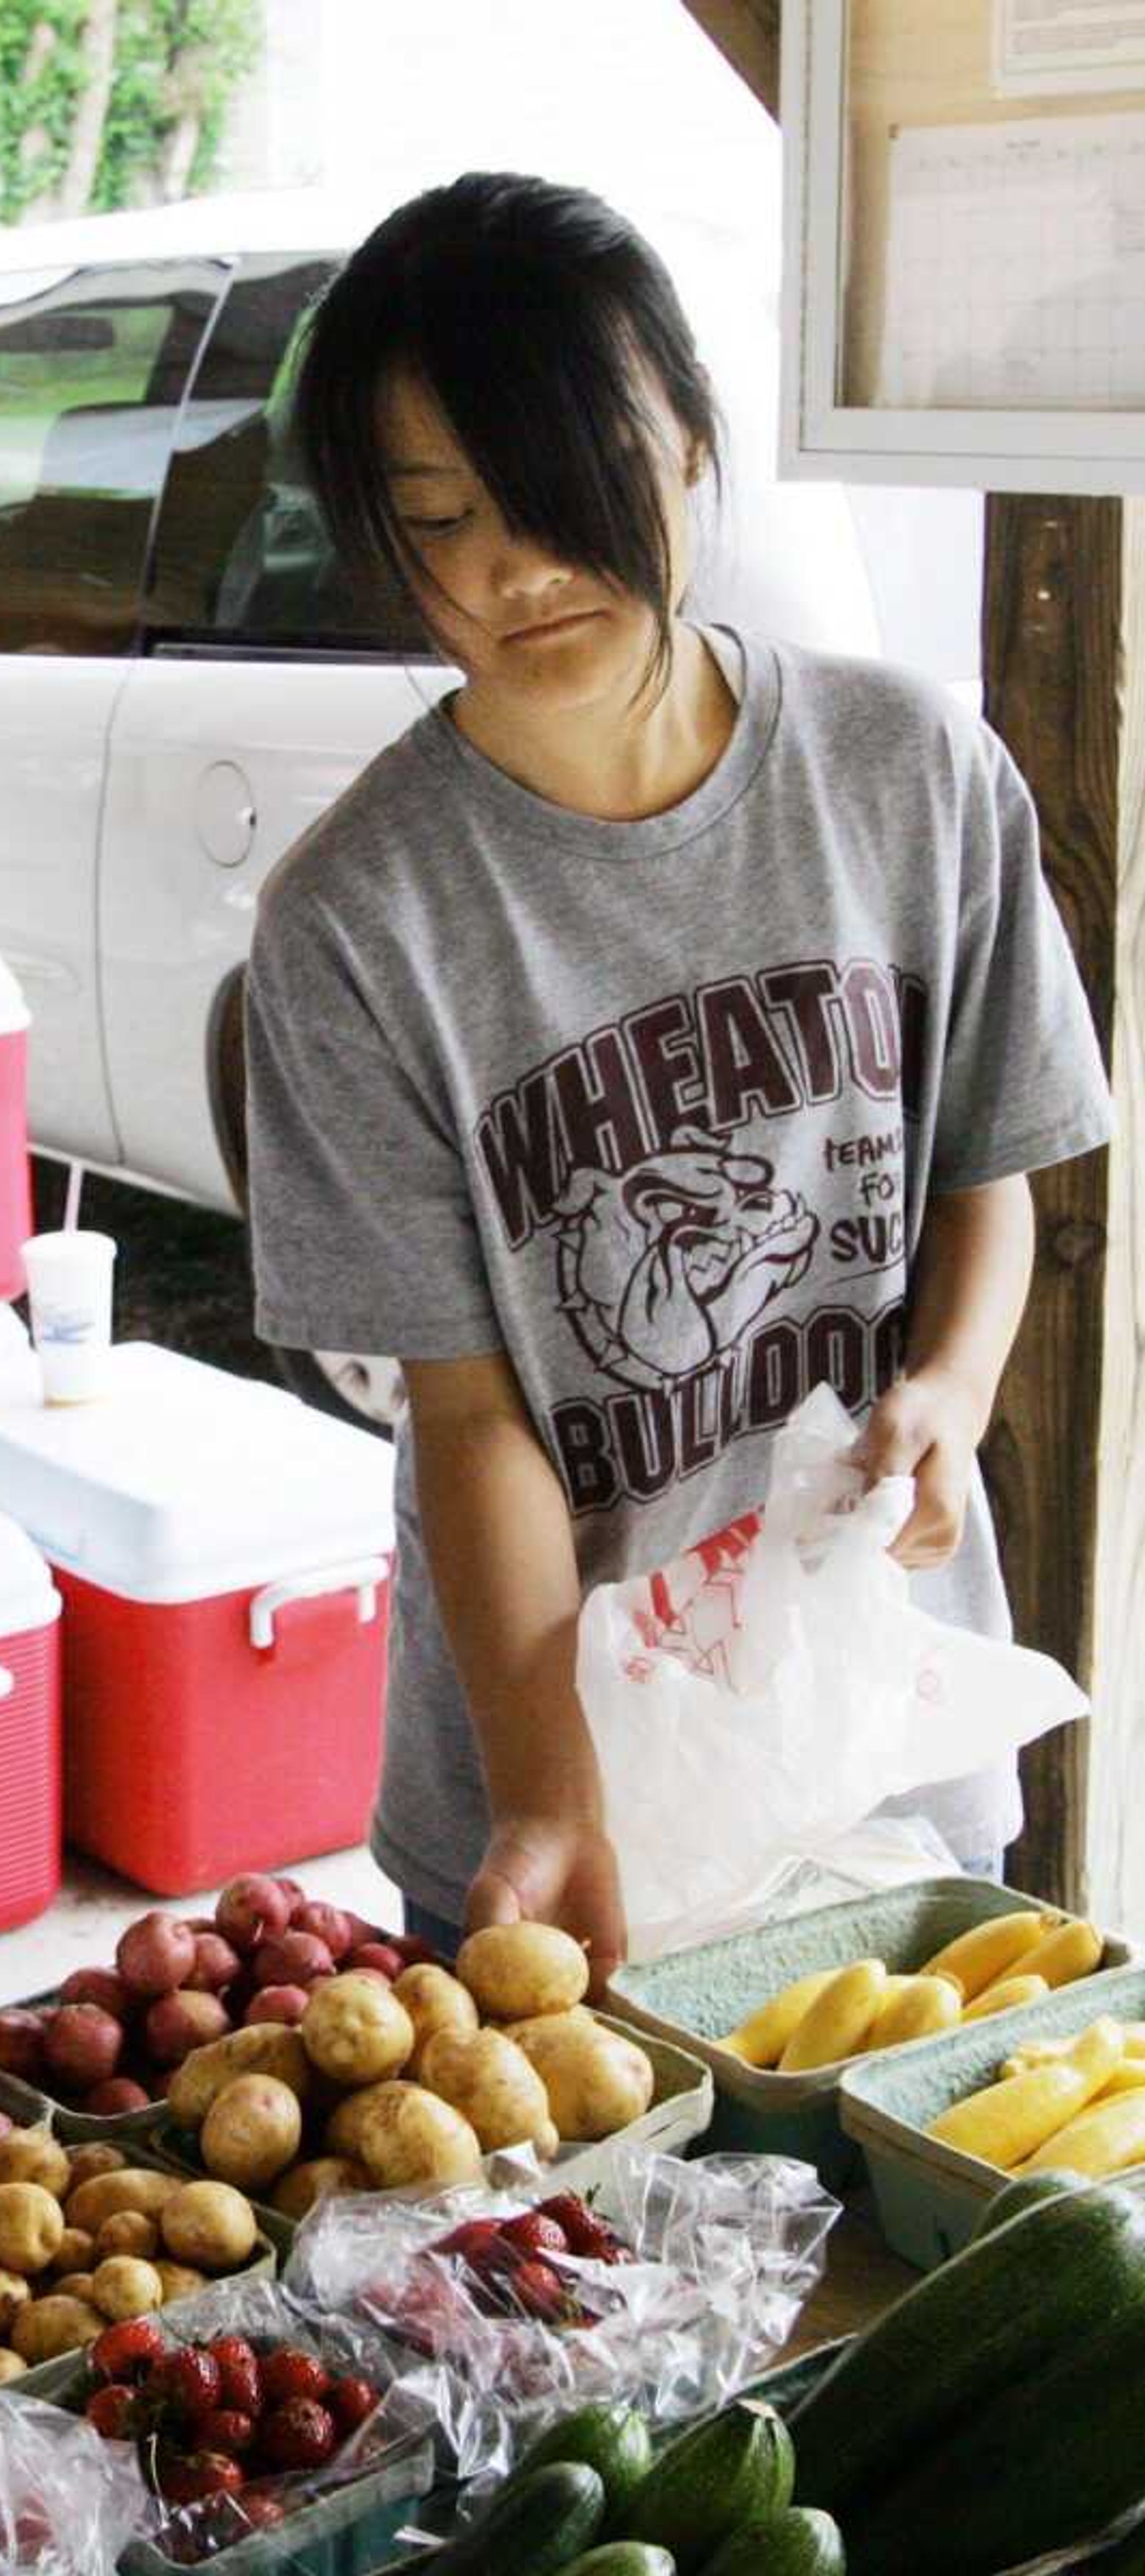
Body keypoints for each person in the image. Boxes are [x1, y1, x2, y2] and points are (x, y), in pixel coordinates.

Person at [244, 173, 1111, 1988]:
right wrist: (557, 1794)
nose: (517, 566)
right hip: (549, 1765)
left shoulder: (913, 772)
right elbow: (471, 1416)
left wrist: (946, 1390)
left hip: (881, 1711)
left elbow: (989, 1176)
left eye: (565, 487)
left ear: (700, 447)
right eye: (442, 520)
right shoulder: (358, 917)